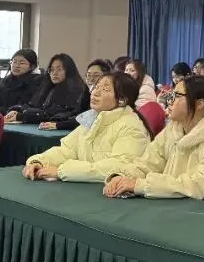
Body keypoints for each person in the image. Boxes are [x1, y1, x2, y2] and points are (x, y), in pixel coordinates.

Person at [103, 75, 204, 207]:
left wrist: (140, 185)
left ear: (199, 104)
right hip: (174, 205)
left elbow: (199, 186)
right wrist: (121, 177)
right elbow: (148, 162)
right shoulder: (174, 129)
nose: (169, 100)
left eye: (177, 95)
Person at [23, 73, 152, 183]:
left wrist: (61, 171)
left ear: (122, 100)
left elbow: (119, 167)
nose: (95, 92)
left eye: (105, 89)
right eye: (96, 86)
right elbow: (67, 150)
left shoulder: (132, 127)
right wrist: (40, 162)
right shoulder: (92, 118)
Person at [5, 54, 88, 128]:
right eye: (51, 70)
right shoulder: (48, 87)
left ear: (69, 71)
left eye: (59, 69)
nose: (54, 73)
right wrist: (17, 110)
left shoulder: (77, 90)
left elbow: (51, 114)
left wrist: (21, 116)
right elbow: (34, 106)